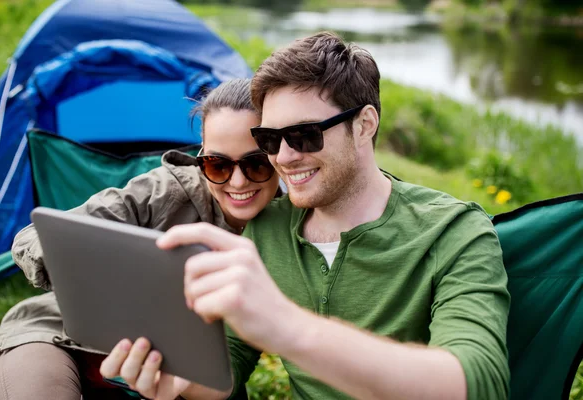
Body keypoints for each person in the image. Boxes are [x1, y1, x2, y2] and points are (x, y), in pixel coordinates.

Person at [101, 32, 511, 400]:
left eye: (304, 135)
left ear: (365, 125)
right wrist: (182, 382)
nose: (284, 156)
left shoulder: (456, 231)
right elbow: (229, 366)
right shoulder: (267, 229)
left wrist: (291, 328)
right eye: (270, 139)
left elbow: (479, 384)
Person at [0, 78, 280, 400]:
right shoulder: (163, 191)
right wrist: (92, 272)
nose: (237, 181)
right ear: (200, 155)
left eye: (256, 163)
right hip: (61, 334)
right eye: (217, 164)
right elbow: (34, 237)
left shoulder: (293, 228)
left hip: (186, 374)